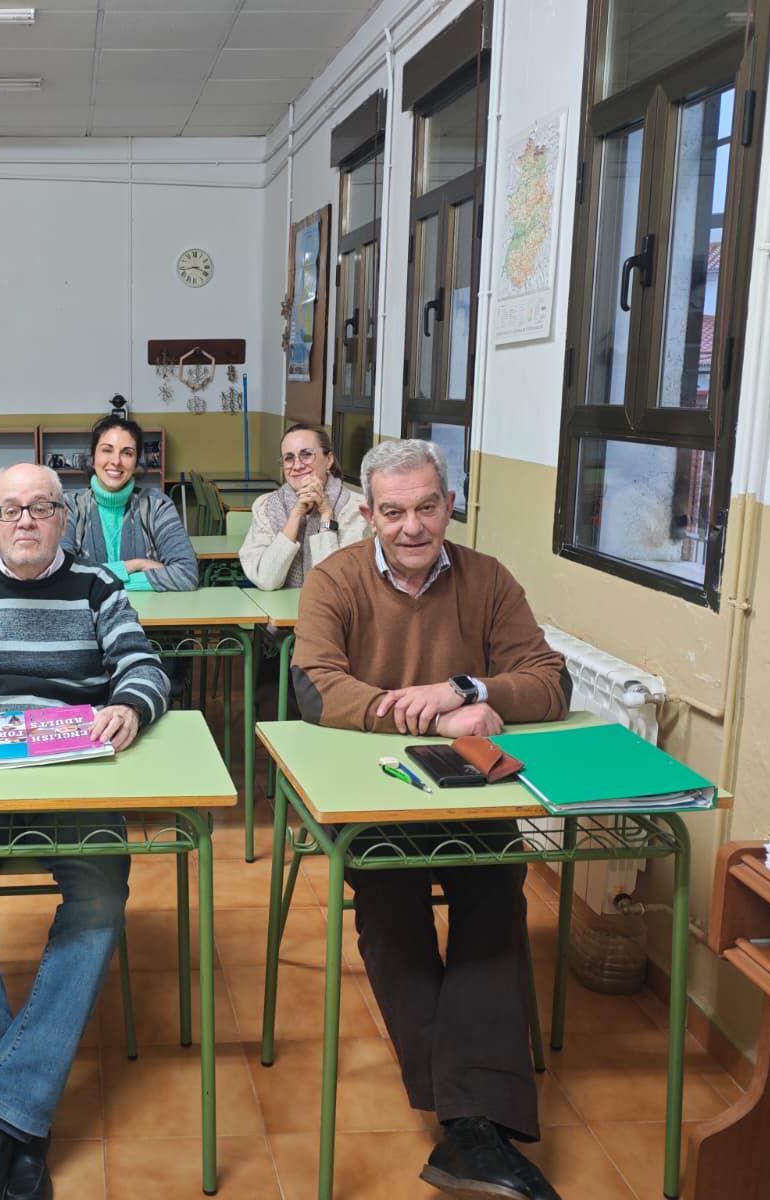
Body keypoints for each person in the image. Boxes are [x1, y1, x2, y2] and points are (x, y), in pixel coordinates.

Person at [290, 439, 569, 1200]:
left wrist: (473, 693)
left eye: (425, 508)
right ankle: (475, 1125)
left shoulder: (488, 579)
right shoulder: (334, 579)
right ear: (369, 514)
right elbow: (315, 687)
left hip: (470, 792)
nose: (411, 527)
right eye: (393, 511)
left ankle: (467, 1128)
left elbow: (551, 679)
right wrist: (404, 713)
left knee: (494, 897)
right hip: (374, 792)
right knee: (389, 908)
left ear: (450, 505)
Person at [0, 462, 170, 1200]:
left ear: (62, 518)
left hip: (76, 764)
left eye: (40, 508)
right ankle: (15, 1116)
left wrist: (132, 708)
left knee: (100, 899)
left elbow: (143, 664)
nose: (24, 521)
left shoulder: (98, 586)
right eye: (9, 511)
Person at [62, 413, 197, 591]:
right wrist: (135, 565)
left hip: (150, 616)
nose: (116, 461)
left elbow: (186, 574)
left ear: (135, 463)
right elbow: (62, 577)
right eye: (107, 450)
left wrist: (95, 583)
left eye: (127, 453)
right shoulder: (69, 506)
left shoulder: (157, 506)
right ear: (93, 458)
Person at [240, 422, 368, 590]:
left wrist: (326, 515)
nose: (297, 465)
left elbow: (334, 586)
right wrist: (295, 515)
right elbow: (266, 580)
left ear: (329, 460)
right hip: (279, 613)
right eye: (289, 458)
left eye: (307, 455)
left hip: (336, 614)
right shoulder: (266, 506)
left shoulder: (357, 509)